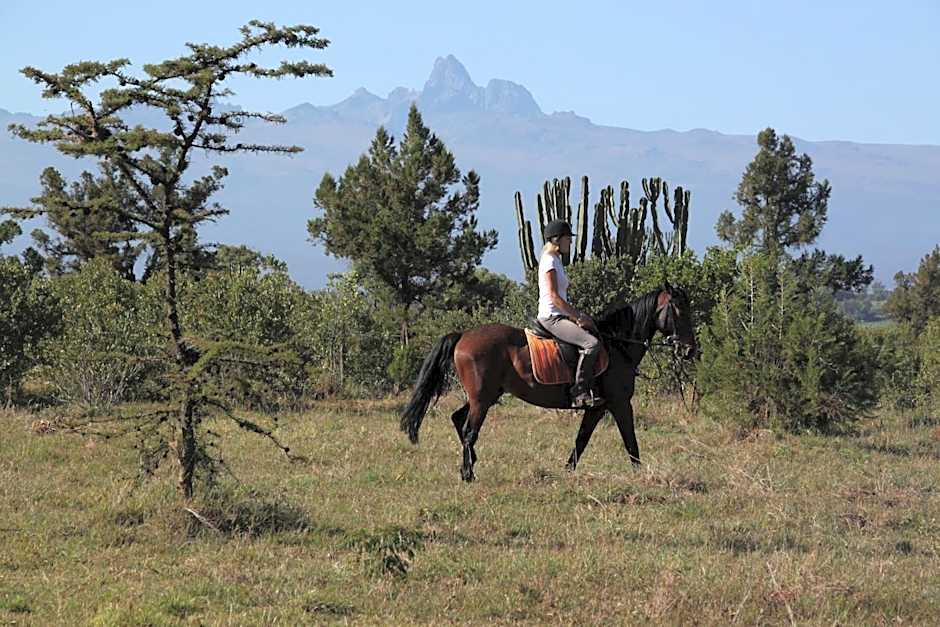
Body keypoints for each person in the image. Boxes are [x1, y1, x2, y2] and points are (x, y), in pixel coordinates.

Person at [536, 219, 604, 408]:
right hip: (552, 317)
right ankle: (579, 392)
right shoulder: (549, 260)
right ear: (557, 239)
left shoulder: (556, 259)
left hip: (559, 315)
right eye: (568, 238)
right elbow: (554, 297)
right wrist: (578, 317)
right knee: (591, 344)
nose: (571, 242)